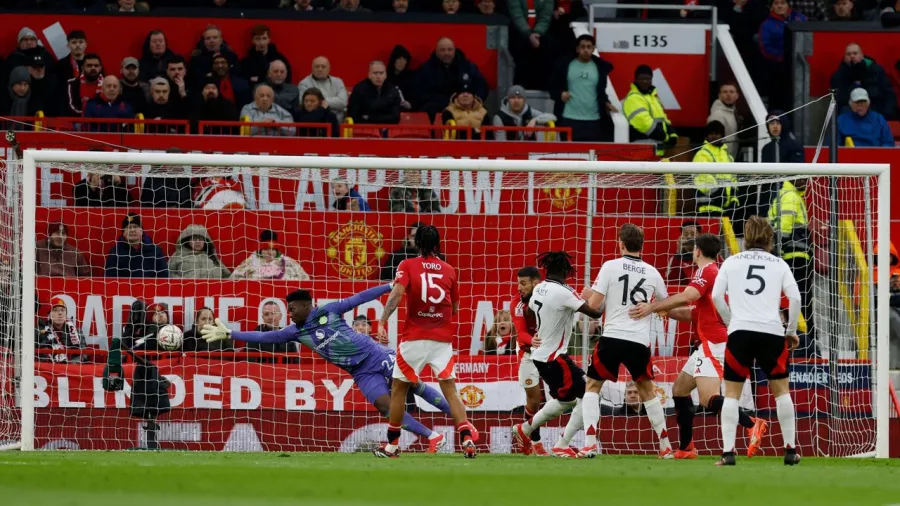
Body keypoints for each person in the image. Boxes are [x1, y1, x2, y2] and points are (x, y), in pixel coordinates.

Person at [201, 285, 454, 453]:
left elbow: (360, 298)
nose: (289, 313)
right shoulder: (296, 332)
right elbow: (265, 338)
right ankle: (432, 436)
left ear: (306, 305)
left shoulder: (328, 311)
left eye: (292, 308)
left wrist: (391, 286)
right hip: (361, 372)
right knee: (385, 406)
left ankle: (461, 421)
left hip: (375, 355)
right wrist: (231, 333)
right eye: (287, 309)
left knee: (414, 385)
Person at [629, 233, 767, 459]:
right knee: (680, 390)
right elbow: (694, 312)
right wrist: (668, 311)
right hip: (709, 343)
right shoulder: (718, 274)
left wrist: (653, 306)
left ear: (698, 251)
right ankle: (686, 448)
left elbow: (687, 296)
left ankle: (751, 422)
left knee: (707, 399)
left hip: (714, 344)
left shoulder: (707, 271)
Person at [375, 225, 477, 458]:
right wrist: (436, 319)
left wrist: (382, 321)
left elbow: (396, 294)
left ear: (417, 243)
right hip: (442, 339)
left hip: (414, 337)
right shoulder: (449, 269)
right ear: (437, 243)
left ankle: (391, 446)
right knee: (450, 390)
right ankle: (467, 438)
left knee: (399, 388)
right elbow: (454, 307)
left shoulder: (407, 265)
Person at [711, 215, 803, 466]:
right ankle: (790, 450)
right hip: (772, 331)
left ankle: (728, 453)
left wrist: (731, 322)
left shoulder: (731, 261)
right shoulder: (779, 264)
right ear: (770, 238)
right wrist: (791, 330)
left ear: (747, 237)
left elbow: (717, 296)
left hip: (740, 331)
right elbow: (795, 299)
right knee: (781, 391)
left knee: (731, 394)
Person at [579, 224, 673, 459]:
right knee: (648, 392)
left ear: (620, 243)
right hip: (639, 341)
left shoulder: (610, 267)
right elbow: (665, 304)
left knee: (592, 386)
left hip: (612, 337)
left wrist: (587, 294)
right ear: (642, 246)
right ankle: (666, 447)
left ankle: (590, 443)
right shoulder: (653, 272)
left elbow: (595, 306)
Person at [511, 251, 605, 458]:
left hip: (542, 356)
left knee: (568, 400)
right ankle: (562, 443)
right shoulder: (564, 292)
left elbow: (529, 313)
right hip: (555, 357)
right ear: (565, 270)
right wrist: (597, 296)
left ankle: (527, 429)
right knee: (589, 394)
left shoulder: (539, 289)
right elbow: (596, 313)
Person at [768, 178, 815, 352]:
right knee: (802, 298)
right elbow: (784, 227)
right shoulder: (790, 196)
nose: (806, 181)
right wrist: (780, 252)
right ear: (793, 178)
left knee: (801, 298)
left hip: (794, 255)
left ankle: (805, 338)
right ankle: (806, 340)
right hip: (794, 257)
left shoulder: (789, 195)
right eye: (802, 177)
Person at [510, 265, 551, 456]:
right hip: (528, 354)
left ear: (536, 282)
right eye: (518, 283)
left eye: (523, 283)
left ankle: (561, 441)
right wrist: (531, 340)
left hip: (551, 353)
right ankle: (535, 441)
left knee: (561, 398)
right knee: (534, 401)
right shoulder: (517, 304)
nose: (519, 287)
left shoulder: (549, 298)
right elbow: (521, 332)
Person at [550, 34, 614, 142]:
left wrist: (606, 103)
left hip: (594, 121)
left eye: (589, 47)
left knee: (592, 156)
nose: (585, 50)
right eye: (582, 47)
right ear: (577, 49)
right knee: (569, 156)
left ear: (593, 49)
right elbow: (552, 87)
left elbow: (601, 91)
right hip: (569, 119)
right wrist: (560, 94)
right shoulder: (564, 65)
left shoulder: (600, 68)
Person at [415, 38, 489, 121]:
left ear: (454, 50)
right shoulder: (426, 69)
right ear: (437, 51)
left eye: (449, 50)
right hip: (436, 108)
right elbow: (417, 90)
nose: (446, 53)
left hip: (464, 106)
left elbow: (482, 85)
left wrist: (474, 101)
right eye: (442, 50)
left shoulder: (467, 66)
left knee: (483, 112)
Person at [758, 0, 806, 111]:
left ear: (788, 5)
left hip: (800, 65)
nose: (779, 6)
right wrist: (784, 58)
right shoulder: (766, 25)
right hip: (777, 68)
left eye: (783, 3)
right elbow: (766, 48)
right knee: (778, 100)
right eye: (776, 3)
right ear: (771, 7)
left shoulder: (800, 18)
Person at [830, 43, 898, 120]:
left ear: (862, 56)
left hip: (875, 110)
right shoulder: (838, 76)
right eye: (848, 54)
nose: (852, 56)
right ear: (845, 58)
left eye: (855, 53)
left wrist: (889, 114)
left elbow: (889, 94)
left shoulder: (876, 71)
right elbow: (839, 100)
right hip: (850, 113)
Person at [623, 64, 677, 155]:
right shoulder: (633, 98)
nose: (645, 81)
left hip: (657, 150)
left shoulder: (654, 98)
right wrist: (666, 138)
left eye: (648, 79)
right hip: (642, 150)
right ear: (635, 80)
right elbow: (645, 123)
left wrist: (672, 134)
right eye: (641, 79)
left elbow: (663, 119)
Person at [104, 213, 169, 278]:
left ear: (141, 231)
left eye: (135, 227)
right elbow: (109, 278)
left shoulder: (155, 251)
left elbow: (164, 276)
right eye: (129, 227)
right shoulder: (115, 252)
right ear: (123, 233)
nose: (132, 230)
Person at [508, 0, 554, 90]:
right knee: (521, 45)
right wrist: (529, 34)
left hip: (539, 33)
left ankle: (544, 84)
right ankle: (519, 85)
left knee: (548, 43)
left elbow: (545, 17)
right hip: (519, 32)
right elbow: (517, 16)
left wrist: (537, 32)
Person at [231, 230, 310, 281]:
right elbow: (232, 281)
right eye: (266, 249)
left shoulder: (289, 262)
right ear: (260, 250)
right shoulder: (249, 263)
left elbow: (306, 280)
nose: (270, 253)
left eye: (272, 249)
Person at [492, 85, 556, 141]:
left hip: (530, 152)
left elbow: (552, 117)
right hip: (509, 152)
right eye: (513, 97)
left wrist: (535, 120)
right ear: (508, 100)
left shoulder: (529, 111)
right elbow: (500, 143)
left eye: (519, 98)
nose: (516, 101)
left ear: (524, 100)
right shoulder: (499, 117)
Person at [347, 61, 401, 125]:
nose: (378, 76)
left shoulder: (392, 90)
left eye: (381, 73)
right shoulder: (359, 89)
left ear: (385, 75)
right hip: (364, 129)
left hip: (388, 129)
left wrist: (370, 117)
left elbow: (395, 118)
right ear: (369, 75)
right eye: (375, 73)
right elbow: (353, 116)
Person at [297, 57, 348, 123]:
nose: (320, 69)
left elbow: (343, 103)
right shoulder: (304, 84)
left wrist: (318, 102)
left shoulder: (338, 82)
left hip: (337, 123)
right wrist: (334, 105)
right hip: (314, 123)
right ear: (312, 68)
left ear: (329, 68)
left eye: (323, 67)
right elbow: (304, 105)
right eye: (317, 66)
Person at [36, 297, 86, 363]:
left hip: (73, 370)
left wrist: (72, 364)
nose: (60, 313)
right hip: (50, 370)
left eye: (62, 310)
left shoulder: (77, 332)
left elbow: (84, 353)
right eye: (55, 310)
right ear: (49, 315)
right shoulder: (40, 332)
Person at [707, 83, 742, 159]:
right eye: (725, 92)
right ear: (719, 96)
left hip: (729, 159)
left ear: (737, 96)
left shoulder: (734, 113)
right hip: (720, 159)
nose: (728, 94)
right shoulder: (717, 115)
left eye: (731, 92)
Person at [665, 221, 700, 286]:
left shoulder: (709, 255)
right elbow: (670, 282)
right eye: (686, 234)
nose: (689, 237)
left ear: (699, 236)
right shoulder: (675, 259)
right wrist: (678, 252)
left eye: (693, 234)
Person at [386, 45, 415, 111]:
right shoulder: (385, 76)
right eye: (399, 58)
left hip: (407, 113)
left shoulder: (411, 77)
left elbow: (417, 97)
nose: (401, 62)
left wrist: (410, 104)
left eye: (404, 59)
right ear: (394, 60)